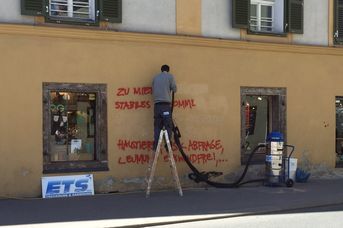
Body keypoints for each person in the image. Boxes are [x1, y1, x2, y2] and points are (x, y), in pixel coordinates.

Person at [152, 64, 177, 151]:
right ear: (168, 70)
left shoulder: (155, 78)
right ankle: (167, 144)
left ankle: (155, 145)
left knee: (157, 126)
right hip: (166, 106)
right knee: (168, 126)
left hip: (157, 106)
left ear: (161, 70)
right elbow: (174, 89)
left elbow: (153, 89)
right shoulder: (170, 77)